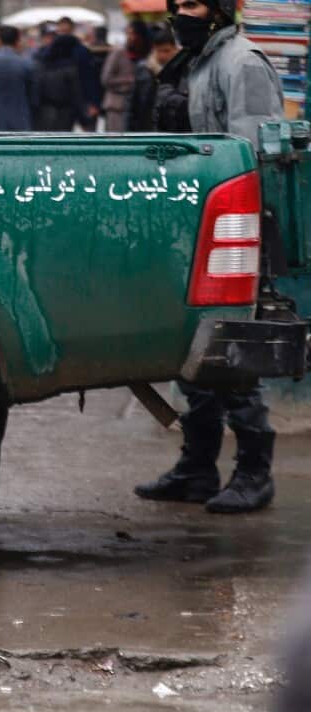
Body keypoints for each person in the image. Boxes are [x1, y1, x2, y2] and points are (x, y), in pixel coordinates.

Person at [137, 0, 284, 513]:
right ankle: (198, 467)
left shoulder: (242, 62)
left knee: (231, 347)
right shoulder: (198, 60)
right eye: (177, 6)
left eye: (193, 4)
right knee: (191, 345)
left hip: (232, 226)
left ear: (220, 10)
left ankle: (254, 472)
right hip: (194, 224)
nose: (182, 14)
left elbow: (250, 154)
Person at [34, 33, 89, 131]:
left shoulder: (41, 65)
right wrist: (83, 119)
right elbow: (76, 95)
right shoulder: (70, 69)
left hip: (43, 114)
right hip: (65, 116)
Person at [101, 21, 149, 132]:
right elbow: (106, 79)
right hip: (117, 107)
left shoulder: (145, 55)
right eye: (128, 33)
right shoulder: (118, 53)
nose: (130, 37)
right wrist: (129, 81)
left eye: (133, 33)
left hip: (136, 108)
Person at [56, 16, 102, 130]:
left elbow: (91, 78)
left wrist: (93, 103)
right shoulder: (53, 52)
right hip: (62, 105)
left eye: (66, 31)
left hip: (83, 101)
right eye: (62, 32)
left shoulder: (82, 51)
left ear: (72, 31)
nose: (64, 35)